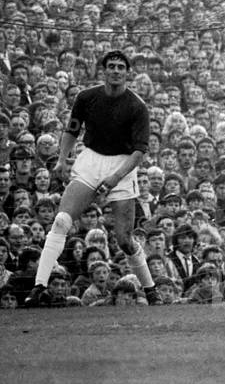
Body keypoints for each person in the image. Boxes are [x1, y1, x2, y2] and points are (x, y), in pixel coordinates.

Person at [26, 51, 158, 306]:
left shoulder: (137, 106)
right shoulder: (87, 98)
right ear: (104, 70)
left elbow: (139, 151)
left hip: (122, 164)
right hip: (91, 159)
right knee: (62, 220)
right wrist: (62, 159)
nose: (116, 71)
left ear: (127, 72)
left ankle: (150, 289)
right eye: (112, 66)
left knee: (124, 240)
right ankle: (40, 285)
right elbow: (71, 130)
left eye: (121, 67)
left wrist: (115, 177)